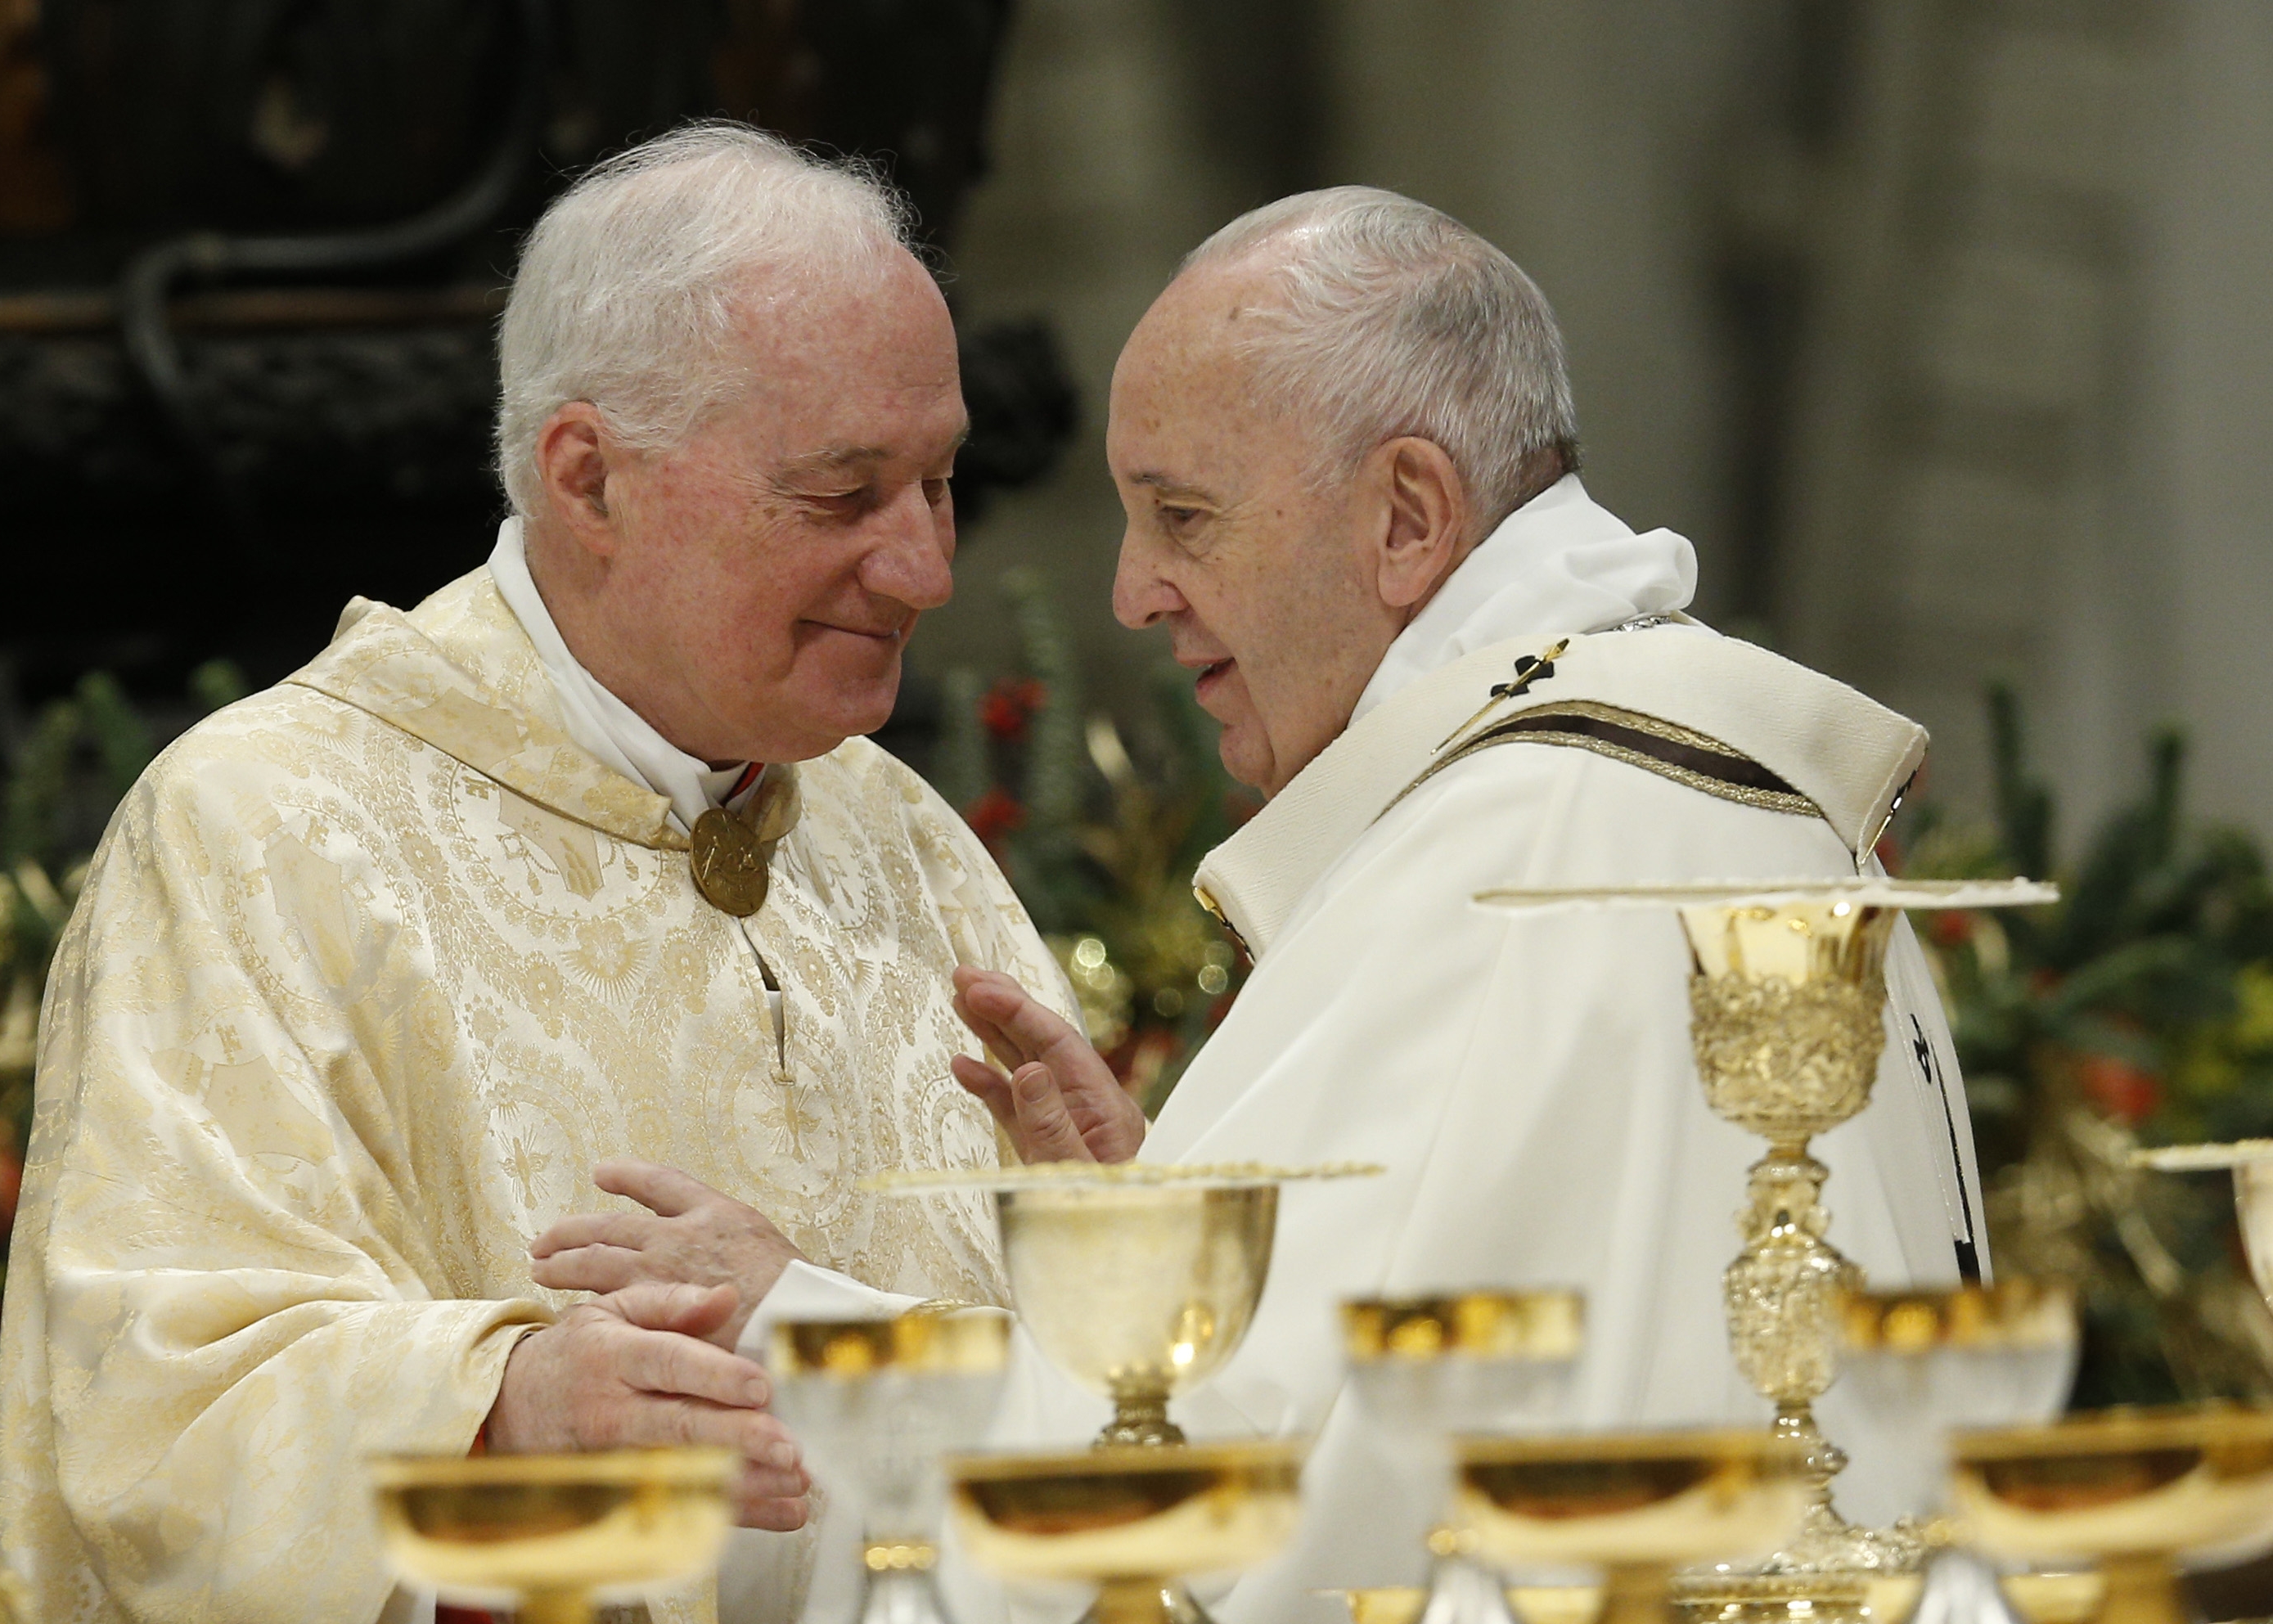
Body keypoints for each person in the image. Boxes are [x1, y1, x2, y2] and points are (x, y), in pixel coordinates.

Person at [551, 187, 1987, 1623]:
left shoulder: (1516, 852)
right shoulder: (1710, 790)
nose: (1132, 592)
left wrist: (793, 1332)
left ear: (1409, 517)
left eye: (1184, 517)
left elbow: (1204, 1498)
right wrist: (1159, 1243)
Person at [0, 124, 1072, 1624]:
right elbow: (148, 1413)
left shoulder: (903, 840)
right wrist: (498, 1410)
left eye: (940, 486)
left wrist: (1106, 1239)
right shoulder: (265, 833)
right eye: (843, 496)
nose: (925, 569)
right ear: (590, 480)